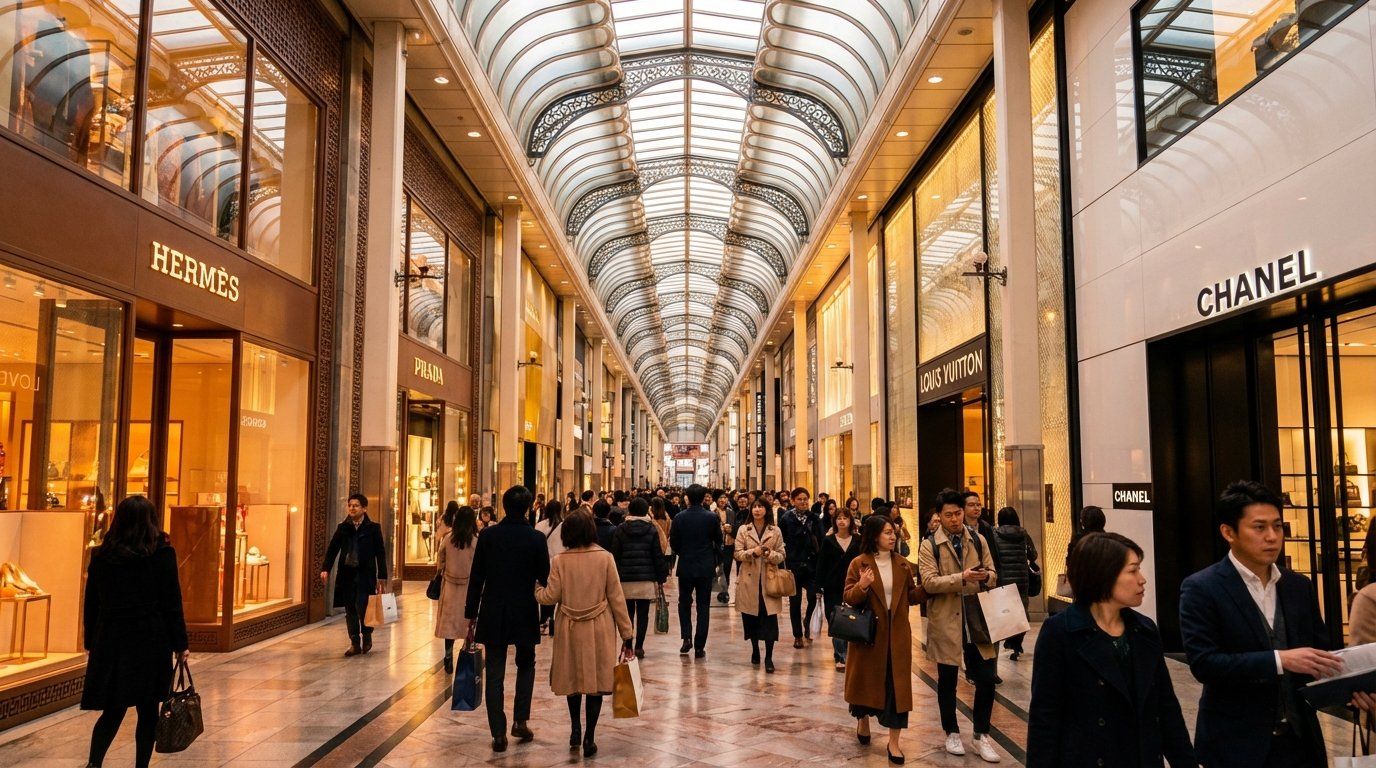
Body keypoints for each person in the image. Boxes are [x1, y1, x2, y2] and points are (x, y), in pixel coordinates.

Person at [1178, 480, 1361, 768]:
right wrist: (1279, 660)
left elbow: (1320, 653)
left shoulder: (1297, 586)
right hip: (1237, 743)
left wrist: (1351, 690)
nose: (1272, 537)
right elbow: (1204, 663)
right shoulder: (1202, 588)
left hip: (1299, 742)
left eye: (1278, 526)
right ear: (1229, 532)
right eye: (1259, 527)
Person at [1027, 532, 1195, 767]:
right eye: (1132, 570)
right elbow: (1045, 718)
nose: (1142, 579)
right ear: (1104, 575)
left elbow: (1166, 709)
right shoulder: (1060, 633)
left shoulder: (1144, 630)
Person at [82, 496, 189, 768]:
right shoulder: (161, 554)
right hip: (149, 639)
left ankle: (94, 763)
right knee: (148, 709)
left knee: (113, 709)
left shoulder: (103, 556)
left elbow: (92, 602)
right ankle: (141, 766)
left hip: (112, 639)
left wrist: (91, 641)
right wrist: (180, 643)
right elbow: (171, 602)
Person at [535, 513, 635, 758]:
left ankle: (575, 729)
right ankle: (590, 735)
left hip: (569, 626)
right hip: (598, 626)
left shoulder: (560, 560)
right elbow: (616, 597)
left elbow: (550, 596)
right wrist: (627, 633)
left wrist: (537, 589)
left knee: (573, 681)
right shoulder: (605, 558)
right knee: (596, 683)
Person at [464, 486, 552, 752]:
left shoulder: (489, 536)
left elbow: (476, 576)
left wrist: (471, 613)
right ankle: (520, 721)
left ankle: (498, 732)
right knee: (526, 665)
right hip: (524, 609)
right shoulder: (536, 538)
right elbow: (545, 576)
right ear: (527, 508)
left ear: (503, 507)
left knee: (494, 671)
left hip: (494, 609)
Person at [917, 489, 1000, 762]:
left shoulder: (978, 539)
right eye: (949, 514)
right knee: (947, 680)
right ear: (938, 517)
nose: (955, 519)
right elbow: (929, 582)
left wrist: (985, 576)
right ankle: (951, 731)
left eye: (958, 513)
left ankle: (981, 734)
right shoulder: (929, 545)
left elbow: (993, 574)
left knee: (986, 678)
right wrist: (962, 578)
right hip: (947, 619)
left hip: (978, 619)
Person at [843, 515, 924, 765]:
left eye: (893, 532)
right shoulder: (860, 563)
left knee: (896, 689)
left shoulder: (902, 564)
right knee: (865, 683)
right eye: (888, 532)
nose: (892, 536)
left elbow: (910, 596)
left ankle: (894, 743)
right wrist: (863, 586)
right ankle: (863, 720)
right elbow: (848, 597)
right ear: (875, 535)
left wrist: (930, 588)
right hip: (869, 637)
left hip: (897, 636)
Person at [320, 493, 388, 656]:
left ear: (364, 508)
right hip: (347, 574)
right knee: (350, 608)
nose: (352, 508)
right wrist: (326, 568)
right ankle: (354, 642)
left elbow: (380, 553)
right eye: (350, 505)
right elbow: (332, 549)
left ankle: (367, 635)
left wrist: (382, 576)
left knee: (364, 606)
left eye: (356, 505)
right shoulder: (343, 528)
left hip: (366, 574)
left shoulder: (373, 528)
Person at [668, 484, 723, 658]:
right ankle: (700, 645)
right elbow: (718, 540)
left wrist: (683, 552)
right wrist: (715, 559)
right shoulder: (711, 517)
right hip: (705, 566)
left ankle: (686, 638)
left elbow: (674, 542)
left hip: (685, 566)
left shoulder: (679, 517)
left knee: (684, 603)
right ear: (703, 498)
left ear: (688, 498)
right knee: (703, 606)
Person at [734, 497, 787, 673]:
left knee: (769, 619)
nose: (757, 510)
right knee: (751, 618)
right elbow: (738, 554)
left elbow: (781, 555)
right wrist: (753, 553)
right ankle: (755, 648)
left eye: (761, 507)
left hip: (768, 580)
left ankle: (769, 657)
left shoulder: (775, 530)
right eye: (755, 507)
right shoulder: (744, 529)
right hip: (749, 581)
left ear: (766, 510)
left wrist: (769, 554)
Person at [610, 497, 668, 658]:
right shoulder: (651, 529)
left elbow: (615, 554)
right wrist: (661, 576)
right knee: (643, 614)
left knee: (627, 614)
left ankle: (628, 643)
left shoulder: (621, 529)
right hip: (646, 579)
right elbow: (657, 554)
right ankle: (639, 646)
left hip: (625, 579)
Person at [991, 507, 1038, 660]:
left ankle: (1008, 640)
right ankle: (1015, 643)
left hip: (1003, 578)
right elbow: (1033, 555)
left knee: (1005, 613)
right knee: (1021, 613)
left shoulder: (994, 534)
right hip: (1022, 579)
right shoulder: (1023, 534)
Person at [818, 505, 862, 670]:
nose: (842, 521)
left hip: (854, 585)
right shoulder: (828, 541)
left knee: (853, 619)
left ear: (850, 520)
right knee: (835, 619)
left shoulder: (858, 540)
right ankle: (840, 655)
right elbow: (821, 564)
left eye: (845, 518)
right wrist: (818, 587)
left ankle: (851, 654)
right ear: (834, 521)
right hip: (833, 586)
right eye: (839, 518)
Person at [434, 506, 477, 672]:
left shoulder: (448, 538)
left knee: (449, 625)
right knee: (467, 623)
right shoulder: (475, 541)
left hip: (450, 586)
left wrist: (442, 571)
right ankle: (467, 653)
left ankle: (448, 654)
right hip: (468, 587)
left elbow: (440, 560)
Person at [780, 487, 823, 648]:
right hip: (794, 566)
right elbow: (781, 541)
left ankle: (807, 620)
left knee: (813, 596)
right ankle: (797, 635)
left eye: (806, 499)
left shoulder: (814, 518)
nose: (803, 502)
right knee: (795, 602)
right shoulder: (786, 518)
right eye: (800, 499)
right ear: (793, 501)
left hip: (811, 566)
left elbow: (821, 539)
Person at [535, 500, 565, 636]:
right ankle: (553, 619)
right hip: (561, 563)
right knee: (558, 591)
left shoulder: (540, 525)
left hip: (544, 563)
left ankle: (543, 620)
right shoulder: (565, 526)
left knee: (545, 591)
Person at [962, 491, 1000, 574]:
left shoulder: (986, 527)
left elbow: (993, 553)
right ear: (963, 508)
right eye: (971, 505)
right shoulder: (958, 528)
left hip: (984, 574)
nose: (976, 508)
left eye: (978, 505)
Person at [716, 491, 736, 603]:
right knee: (717, 569)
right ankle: (716, 590)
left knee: (727, 568)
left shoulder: (731, 513)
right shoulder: (712, 512)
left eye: (724, 498)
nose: (723, 500)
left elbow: (735, 528)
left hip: (728, 544)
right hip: (716, 545)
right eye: (720, 498)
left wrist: (731, 530)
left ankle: (725, 592)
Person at [651, 496, 674, 575]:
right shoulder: (666, 517)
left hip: (652, 544)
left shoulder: (651, 517)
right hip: (663, 544)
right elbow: (669, 531)